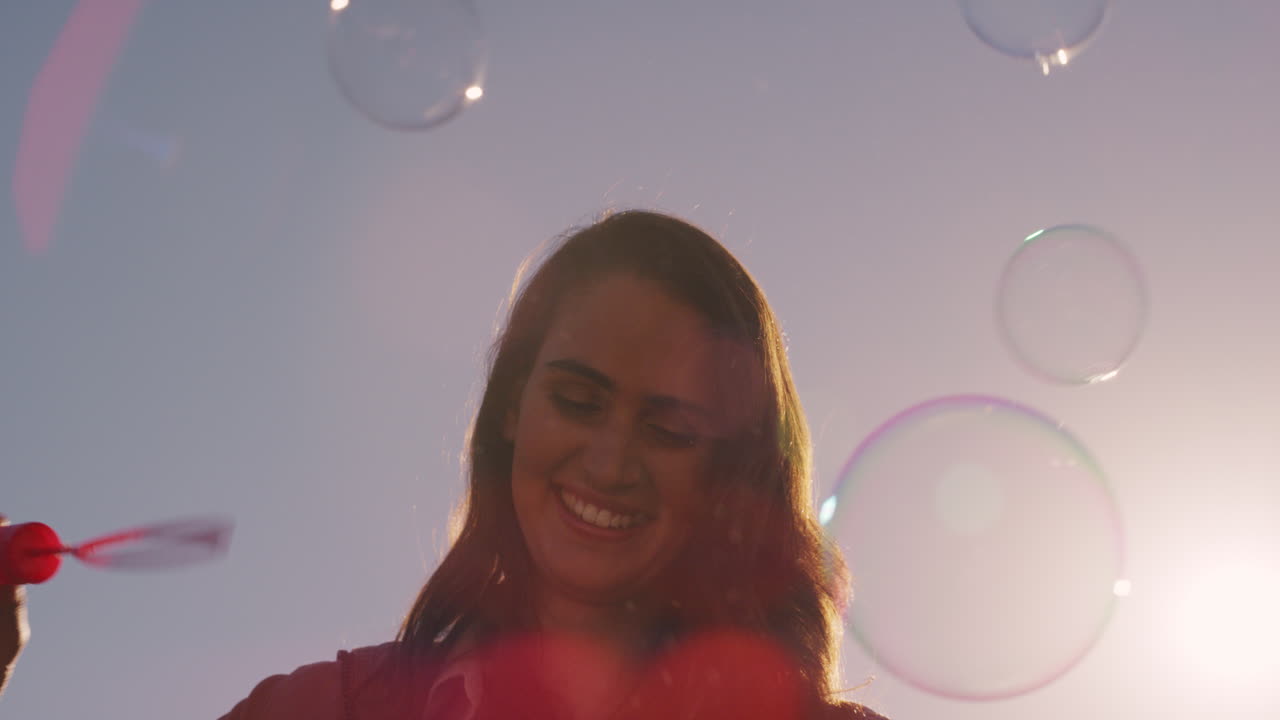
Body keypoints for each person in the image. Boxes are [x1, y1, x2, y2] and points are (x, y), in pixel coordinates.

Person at [2, 211, 888, 719]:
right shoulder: (334, 710)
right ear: (511, 410)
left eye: (668, 428)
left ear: (729, 474)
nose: (611, 461)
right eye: (578, 401)